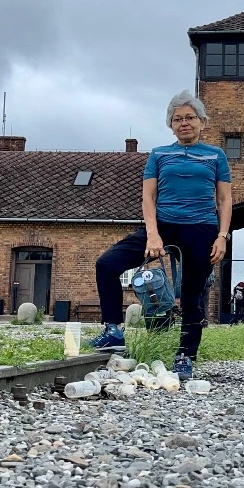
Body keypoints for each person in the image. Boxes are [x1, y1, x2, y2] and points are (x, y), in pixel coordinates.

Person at [90, 90, 232, 381]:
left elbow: (224, 200)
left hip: (201, 228)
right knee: (107, 264)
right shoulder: (159, 154)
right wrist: (153, 235)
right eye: (177, 119)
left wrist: (222, 236)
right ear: (170, 125)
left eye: (190, 118)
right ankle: (113, 331)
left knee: (192, 295)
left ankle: (185, 356)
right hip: (162, 223)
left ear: (202, 121)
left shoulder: (216, 155)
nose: (184, 123)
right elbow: (148, 197)